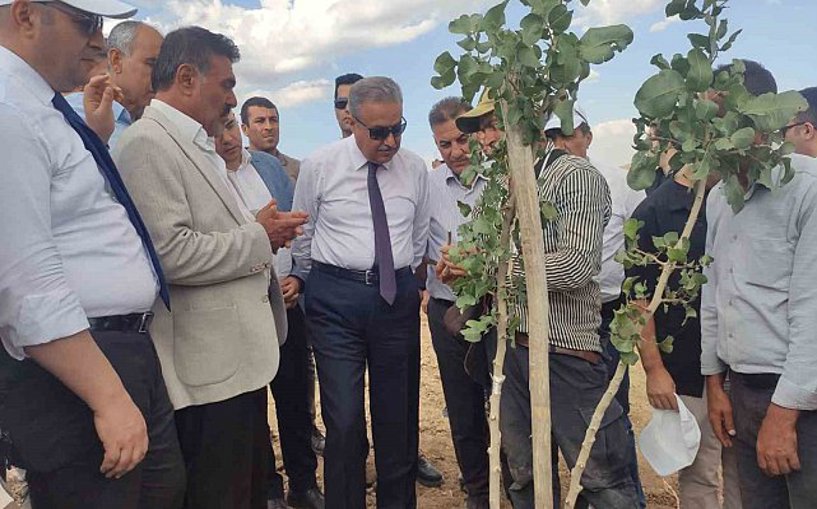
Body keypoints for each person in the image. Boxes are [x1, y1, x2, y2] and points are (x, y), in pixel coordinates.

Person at [0, 0, 186, 507]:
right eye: (86, 21)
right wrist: (108, 398)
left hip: (120, 352)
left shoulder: (41, 106)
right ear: (26, 15)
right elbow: (24, 283)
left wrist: (96, 138)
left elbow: (74, 219)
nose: (100, 41)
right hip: (79, 368)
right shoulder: (9, 109)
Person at [114, 26, 307, 509]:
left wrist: (256, 230)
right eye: (225, 84)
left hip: (232, 364)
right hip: (207, 372)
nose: (232, 97)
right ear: (185, 77)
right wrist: (260, 238)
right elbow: (171, 253)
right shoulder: (147, 143)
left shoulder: (192, 142)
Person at [445, 90, 638, 507]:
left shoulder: (574, 176)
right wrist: (459, 267)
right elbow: (481, 254)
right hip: (510, 349)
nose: (483, 137)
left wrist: (491, 266)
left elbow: (574, 267)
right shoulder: (498, 183)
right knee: (523, 476)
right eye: (478, 128)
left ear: (530, 121)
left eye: (492, 124)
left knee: (602, 478)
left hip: (565, 350)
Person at [292, 76, 430, 508]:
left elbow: (420, 235)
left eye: (397, 128)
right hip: (335, 302)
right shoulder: (320, 166)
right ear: (351, 123)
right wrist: (317, 282)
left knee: (397, 417)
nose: (390, 141)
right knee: (345, 418)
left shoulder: (414, 168)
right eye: (378, 132)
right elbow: (303, 232)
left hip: (396, 300)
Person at [702, 74, 817, 509]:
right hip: (742, 393)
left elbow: (812, 313)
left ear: (760, 116)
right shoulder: (720, 197)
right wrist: (716, 384)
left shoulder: (808, 189)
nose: (710, 134)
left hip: (800, 404)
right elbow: (715, 293)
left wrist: (784, 415)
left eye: (718, 118)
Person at [215, 111, 324, 509]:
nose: (224, 137)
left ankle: (303, 483)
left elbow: (297, 228)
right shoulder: (205, 176)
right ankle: (268, 488)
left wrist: (298, 277)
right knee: (252, 404)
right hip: (242, 310)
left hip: (287, 304)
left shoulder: (266, 167)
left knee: (294, 399)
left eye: (227, 126)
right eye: (215, 130)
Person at [543, 106, 647, 508]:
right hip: (560, 321)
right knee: (565, 423)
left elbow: (641, 250)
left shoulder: (619, 182)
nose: (561, 145)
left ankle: (628, 498)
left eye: (568, 135)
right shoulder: (544, 185)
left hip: (608, 317)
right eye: (552, 137)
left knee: (612, 420)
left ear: (586, 135)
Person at [425, 97, 490, 509]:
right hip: (447, 311)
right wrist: (440, 266)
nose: (455, 153)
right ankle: (478, 490)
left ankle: (518, 481)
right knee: (462, 406)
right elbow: (418, 247)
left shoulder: (505, 181)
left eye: (461, 141)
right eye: (444, 146)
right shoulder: (428, 188)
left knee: (508, 404)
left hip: (499, 310)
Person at [66, 20, 162, 148]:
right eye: (152, 64)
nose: (160, 76)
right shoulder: (74, 115)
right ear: (116, 60)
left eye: (163, 68)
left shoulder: (152, 126)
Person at [241, 96, 300, 183]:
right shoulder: (237, 167)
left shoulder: (297, 169)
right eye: (260, 121)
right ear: (245, 129)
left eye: (273, 120)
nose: (269, 127)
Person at [334, 72, 363, 138]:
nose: (348, 109)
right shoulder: (328, 148)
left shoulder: (387, 147)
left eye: (354, 102)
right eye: (341, 103)